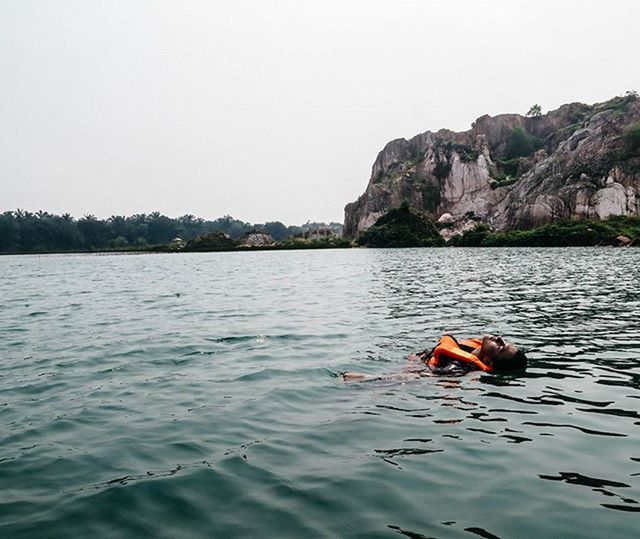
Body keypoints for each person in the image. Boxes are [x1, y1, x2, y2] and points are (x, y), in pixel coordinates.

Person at [342, 334, 527, 381]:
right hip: (416, 360)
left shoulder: (458, 368)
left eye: (501, 347)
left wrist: (369, 378)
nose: (500, 339)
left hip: (413, 371)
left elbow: (422, 378)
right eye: (505, 341)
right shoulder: (470, 348)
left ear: (488, 362)